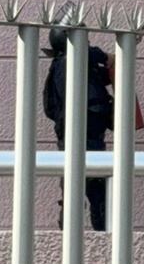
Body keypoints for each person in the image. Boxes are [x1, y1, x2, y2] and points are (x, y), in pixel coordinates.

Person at [42, 26, 114, 231]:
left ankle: (97, 238)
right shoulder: (68, 62)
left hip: (86, 137)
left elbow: (104, 75)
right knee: (89, 190)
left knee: (90, 191)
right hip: (81, 138)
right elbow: (94, 56)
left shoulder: (78, 65)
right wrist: (108, 55)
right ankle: (82, 239)